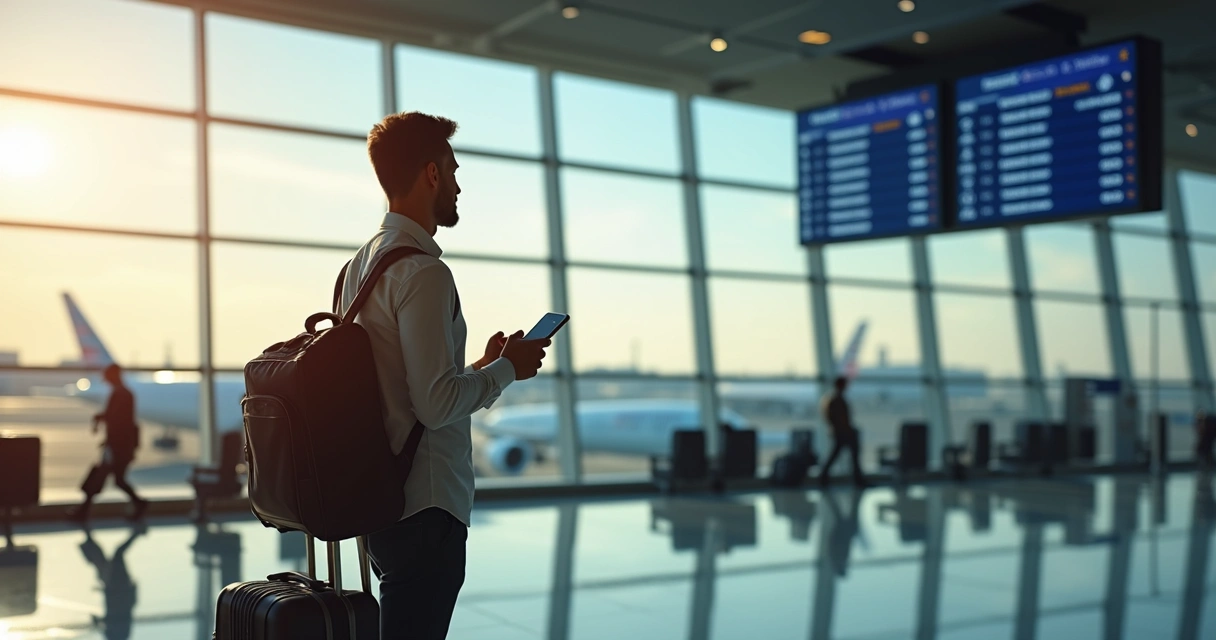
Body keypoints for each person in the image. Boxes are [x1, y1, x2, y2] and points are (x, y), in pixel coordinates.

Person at [338, 112, 550, 640]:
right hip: (426, 506)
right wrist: (509, 369)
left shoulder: (358, 268)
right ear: (431, 174)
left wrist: (479, 369)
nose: (458, 185)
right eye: (453, 171)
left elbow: (400, 387)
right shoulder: (424, 272)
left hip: (381, 499)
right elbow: (434, 406)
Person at [67, 364, 148, 521]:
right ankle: (138, 503)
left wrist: (103, 423)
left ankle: (83, 512)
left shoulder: (120, 394)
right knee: (116, 479)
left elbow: (118, 420)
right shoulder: (124, 393)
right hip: (121, 445)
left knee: (99, 477)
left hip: (117, 446)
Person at [80, 522, 145, 640]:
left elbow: (117, 615)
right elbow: (117, 616)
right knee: (115, 555)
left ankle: (86, 531)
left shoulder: (118, 631)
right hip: (118, 586)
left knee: (100, 559)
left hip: (115, 587)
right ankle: (137, 533)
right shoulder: (119, 632)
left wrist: (98, 621)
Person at [817, 376, 870, 488]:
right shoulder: (836, 400)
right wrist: (847, 429)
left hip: (840, 432)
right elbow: (840, 418)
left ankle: (824, 477)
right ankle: (857, 479)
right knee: (850, 455)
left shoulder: (831, 399)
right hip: (843, 432)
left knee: (837, 455)